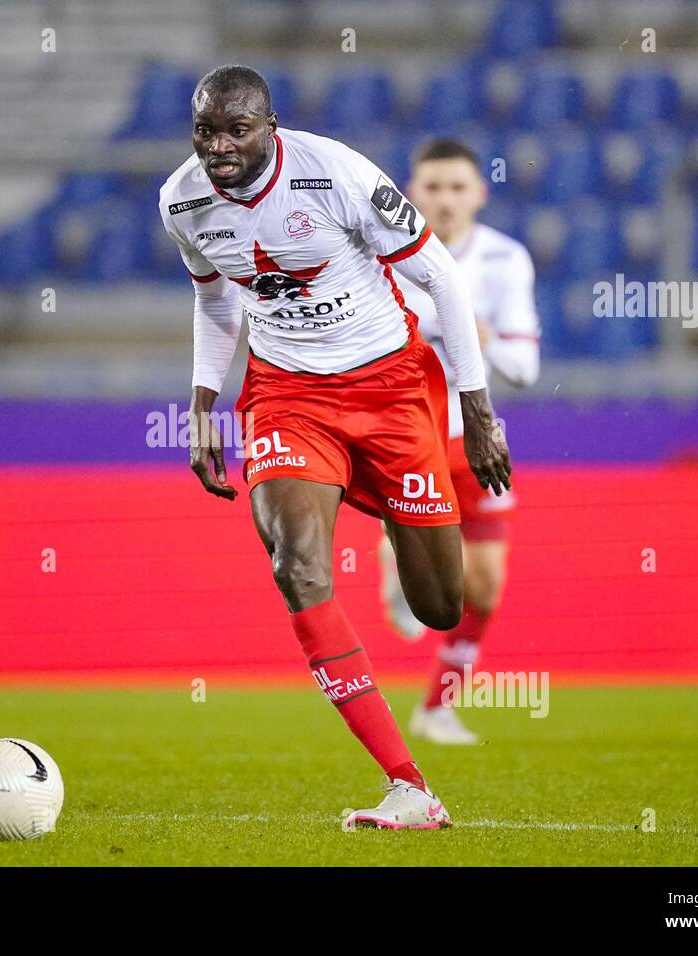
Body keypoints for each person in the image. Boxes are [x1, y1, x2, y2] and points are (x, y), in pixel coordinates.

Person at [158, 66, 512, 830]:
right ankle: (408, 784)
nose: (219, 147)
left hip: (390, 390)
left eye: (236, 130)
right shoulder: (181, 200)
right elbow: (214, 299)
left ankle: (394, 529)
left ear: (270, 126)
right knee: (296, 563)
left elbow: (441, 278)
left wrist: (477, 412)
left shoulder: (336, 174)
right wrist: (201, 405)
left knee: (441, 606)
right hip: (288, 395)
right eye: (205, 131)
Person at [379, 139, 541, 746]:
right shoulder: (384, 257)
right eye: (432, 188)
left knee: (486, 586)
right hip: (405, 434)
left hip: (476, 440)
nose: (445, 200)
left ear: (480, 192)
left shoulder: (505, 260)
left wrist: (481, 336)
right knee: (431, 558)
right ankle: (394, 552)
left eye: (457, 187)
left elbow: (525, 368)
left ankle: (436, 708)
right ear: (411, 193)